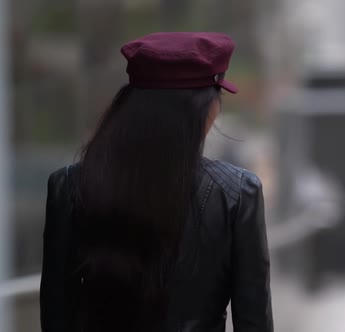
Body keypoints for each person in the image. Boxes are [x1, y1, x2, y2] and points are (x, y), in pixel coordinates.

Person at [40, 32, 273, 332]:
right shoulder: (238, 194)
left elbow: (56, 318)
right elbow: (254, 322)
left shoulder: (69, 188)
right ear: (201, 110)